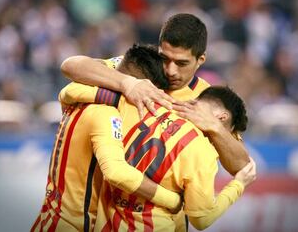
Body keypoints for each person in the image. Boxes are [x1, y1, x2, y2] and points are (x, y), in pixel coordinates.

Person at [60, 13, 249, 176]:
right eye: (165, 58)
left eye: (181, 63)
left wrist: (214, 127)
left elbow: (242, 166)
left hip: (164, 213)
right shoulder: (140, 69)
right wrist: (128, 83)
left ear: (201, 60)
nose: (170, 70)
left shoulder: (208, 98)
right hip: (112, 207)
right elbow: (71, 65)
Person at [64, 80, 256, 231]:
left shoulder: (147, 105)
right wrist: (238, 185)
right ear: (222, 118)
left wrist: (126, 82)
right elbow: (201, 219)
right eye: (226, 133)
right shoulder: (203, 152)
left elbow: (71, 91)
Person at [31, 45, 182, 232]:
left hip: (52, 217)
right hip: (74, 224)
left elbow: (67, 92)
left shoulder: (87, 89)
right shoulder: (106, 114)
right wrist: (174, 201)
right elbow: (116, 172)